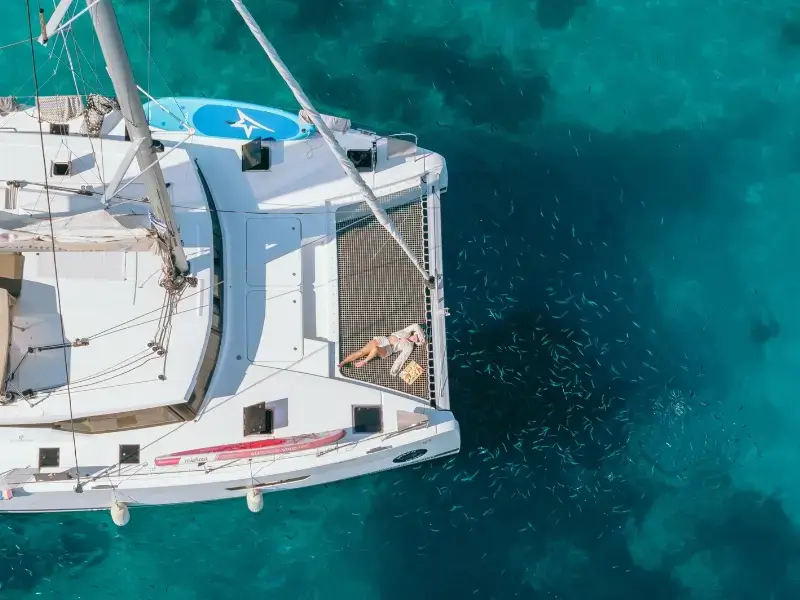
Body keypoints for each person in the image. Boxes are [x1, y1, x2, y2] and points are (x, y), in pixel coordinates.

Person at [338, 324, 426, 376]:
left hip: (389, 349)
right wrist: (422, 338)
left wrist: (395, 370)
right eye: (417, 336)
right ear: (416, 332)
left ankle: (365, 361)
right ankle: (343, 362)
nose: (416, 338)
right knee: (361, 352)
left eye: (417, 340)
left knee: (375, 349)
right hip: (383, 340)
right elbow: (416, 325)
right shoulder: (407, 332)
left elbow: (402, 358)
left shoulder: (409, 347)